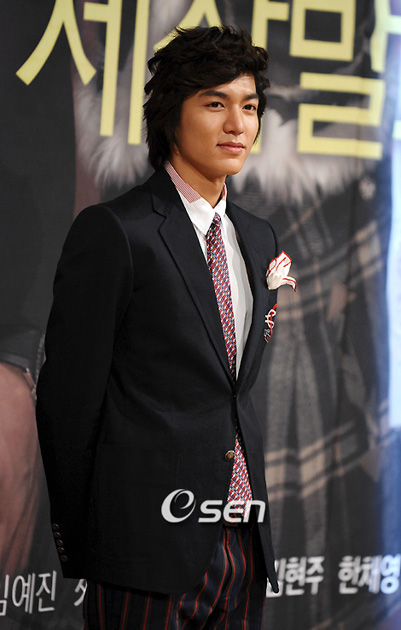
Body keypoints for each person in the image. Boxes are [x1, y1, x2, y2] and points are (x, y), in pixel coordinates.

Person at [36, 25, 282, 629]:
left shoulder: (258, 237)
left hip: (242, 543)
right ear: (172, 115)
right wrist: (96, 540)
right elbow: (68, 401)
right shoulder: (117, 231)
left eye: (249, 107)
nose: (238, 125)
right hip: (143, 551)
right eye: (215, 104)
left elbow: (231, 390)